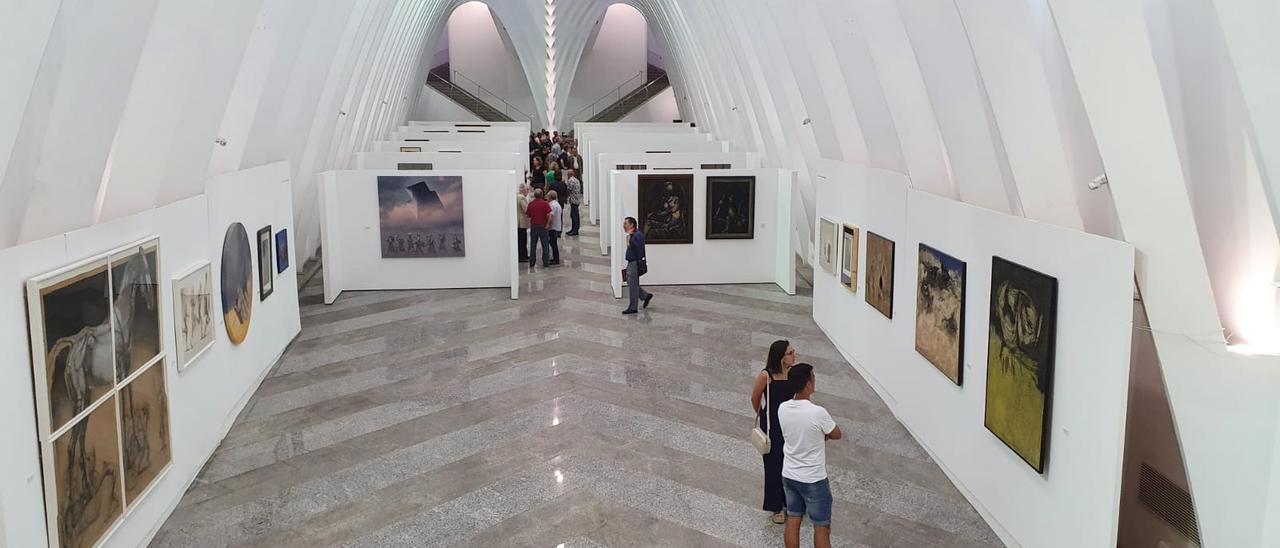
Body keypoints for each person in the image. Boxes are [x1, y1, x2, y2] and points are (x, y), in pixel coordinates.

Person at [778, 363, 842, 548]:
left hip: (789, 475)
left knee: (793, 518)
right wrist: (823, 435)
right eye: (813, 378)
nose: (815, 381)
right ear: (807, 384)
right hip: (813, 480)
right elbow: (837, 433)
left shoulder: (783, 408)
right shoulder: (817, 412)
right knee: (822, 527)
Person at [751, 340, 798, 524]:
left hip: (790, 426)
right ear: (780, 357)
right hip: (772, 427)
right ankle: (776, 506)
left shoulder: (793, 373)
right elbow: (755, 397)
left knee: (790, 463)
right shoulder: (766, 375)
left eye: (793, 352)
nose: (794, 355)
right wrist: (763, 416)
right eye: (790, 353)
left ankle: (790, 501)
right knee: (773, 467)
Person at [622, 216, 653, 314]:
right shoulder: (634, 235)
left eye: (626, 223)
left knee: (632, 285)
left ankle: (633, 307)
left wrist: (628, 239)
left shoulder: (637, 235)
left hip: (634, 263)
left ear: (631, 224)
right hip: (631, 262)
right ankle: (645, 296)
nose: (624, 226)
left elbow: (636, 248)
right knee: (630, 282)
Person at [526, 188, 552, 267]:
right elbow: (550, 214)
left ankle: (532, 262)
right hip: (543, 226)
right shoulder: (545, 204)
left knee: (533, 245)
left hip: (534, 226)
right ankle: (546, 262)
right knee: (545, 245)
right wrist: (548, 224)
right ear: (542, 195)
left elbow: (528, 215)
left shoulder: (531, 204)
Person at [546, 190, 563, 265]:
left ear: (550, 197)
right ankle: (555, 258)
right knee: (553, 243)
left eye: (547, 196)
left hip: (553, 227)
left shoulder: (552, 205)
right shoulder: (557, 204)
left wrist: (547, 224)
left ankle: (556, 259)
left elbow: (551, 216)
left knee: (553, 243)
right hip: (557, 226)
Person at [516, 184, 531, 263]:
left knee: (521, 239)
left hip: (519, 221)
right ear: (523, 190)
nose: (528, 191)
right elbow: (526, 210)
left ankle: (523, 255)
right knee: (522, 239)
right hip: (521, 221)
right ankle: (523, 256)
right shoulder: (522, 198)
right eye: (527, 189)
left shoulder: (516, 196)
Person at [565, 169, 582, 235]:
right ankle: (574, 229)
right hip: (577, 199)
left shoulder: (570, 180)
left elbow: (569, 190)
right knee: (574, 214)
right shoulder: (576, 180)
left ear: (568, 174)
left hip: (573, 200)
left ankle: (575, 230)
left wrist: (566, 197)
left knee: (574, 215)